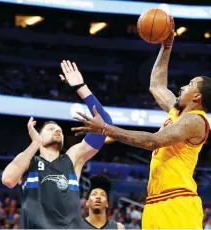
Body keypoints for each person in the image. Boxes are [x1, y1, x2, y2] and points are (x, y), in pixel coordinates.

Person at [71, 18, 211, 229]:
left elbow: (153, 141)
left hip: (178, 202)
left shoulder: (195, 120)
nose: (183, 85)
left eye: (190, 84)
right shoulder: (177, 112)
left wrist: (106, 129)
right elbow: (156, 85)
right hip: (155, 202)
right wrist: (167, 46)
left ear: (197, 96)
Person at [1, 60, 112, 229]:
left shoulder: (72, 158)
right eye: (51, 129)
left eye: (59, 129)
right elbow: (8, 179)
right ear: (39, 136)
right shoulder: (29, 161)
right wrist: (35, 144)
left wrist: (81, 87)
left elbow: (104, 124)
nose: (57, 131)